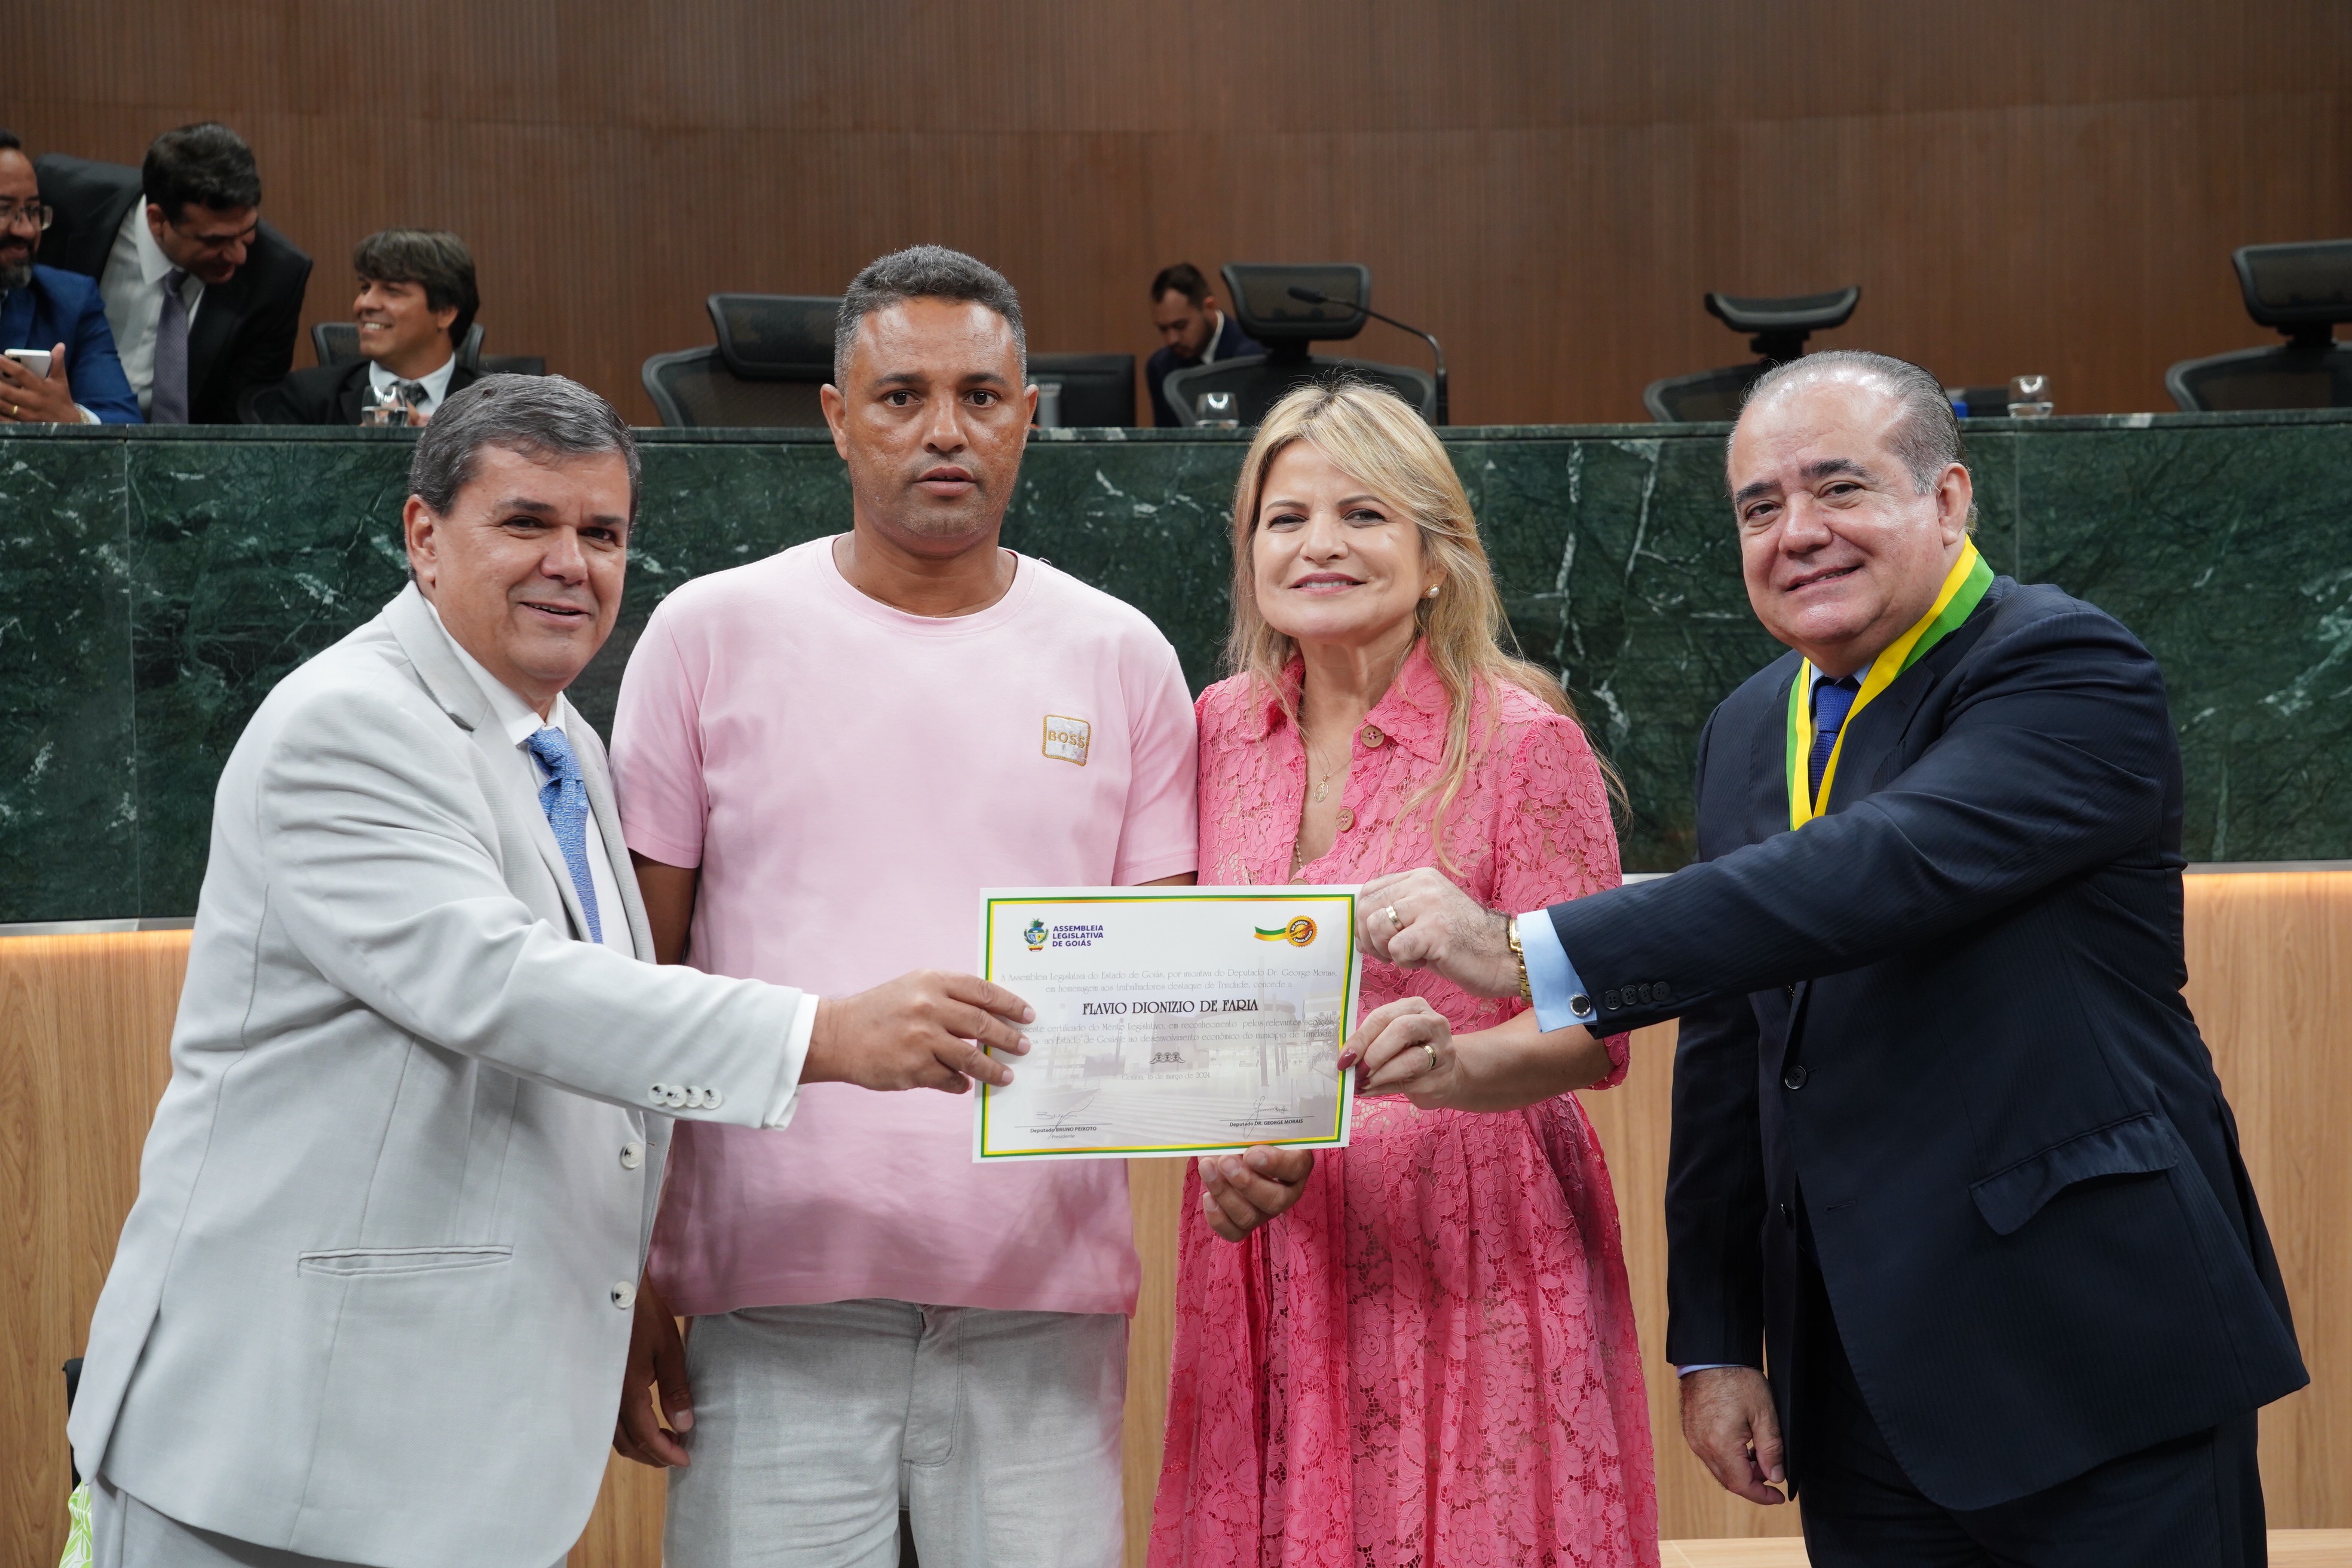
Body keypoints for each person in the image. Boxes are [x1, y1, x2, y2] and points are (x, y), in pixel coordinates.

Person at [68, 375, 1039, 1568]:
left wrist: (627, 1286)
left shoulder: (559, 740)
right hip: (282, 1445)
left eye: (603, 533)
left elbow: (593, 1078)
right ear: (425, 536)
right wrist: (823, 1034)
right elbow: (507, 987)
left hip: (450, 1449)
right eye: (526, 522)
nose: (570, 565)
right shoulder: (349, 723)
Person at [1355, 351, 2305, 1567]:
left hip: (2094, 1349)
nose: (1797, 531)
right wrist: (1717, 1340)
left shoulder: (2067, 668)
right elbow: (1728, 1052)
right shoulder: (1751, 723)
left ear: (1948, 499)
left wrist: (1521, 945)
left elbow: (1871, 871)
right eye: (1760, 506)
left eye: (1840, 487)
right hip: (1858, 1382)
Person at [606, 245, 1199, 1568]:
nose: (945, 430)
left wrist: (1251, 1117)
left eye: (980, 396)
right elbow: (631, 990)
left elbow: (1162, 997)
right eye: (901, 396)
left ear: (1027, 415)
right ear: (836, 417)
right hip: (773, 1301)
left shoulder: (1123, 656)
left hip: (1041, 1308)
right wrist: (617, 1264)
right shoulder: (707, 634)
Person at [1147, 381, 1658, 1568]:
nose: (1319, 544)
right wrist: (1214, 1139)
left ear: (1435, 557)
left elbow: (1599, 1029)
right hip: (1267, 1241)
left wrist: (1454, 1065)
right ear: (1250, 553)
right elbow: (1183, 988)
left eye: (1364, 513)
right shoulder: (1213, 729)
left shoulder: (1523, 739)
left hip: (1470, 1244)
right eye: (1286, 518)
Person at [36, 122, 311, 423]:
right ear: (157, 220)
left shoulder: (276, 276)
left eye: (247, 231)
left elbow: (243, 421)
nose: (239, 256)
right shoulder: (62, 198)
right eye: (215, 241)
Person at [246, 229, 482, 424]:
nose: (364, 303)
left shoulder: (492, 404)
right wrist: (363, 450)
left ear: (445, 312)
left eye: (392, 291)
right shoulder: (304, 398)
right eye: (365, 288)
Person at [0, 128, 139, 424]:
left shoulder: (70, 300)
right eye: (4, 210)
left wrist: (72, 421)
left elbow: (125, 421)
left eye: (33, 210)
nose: (26, 230)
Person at [1146, 262, 1261, 427]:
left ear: (1209, 306)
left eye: (1180, 326)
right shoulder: (1161, 367)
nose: (1172, 339)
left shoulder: (1254, 354)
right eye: (1163, 329)